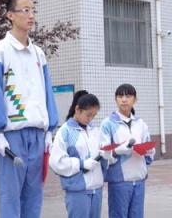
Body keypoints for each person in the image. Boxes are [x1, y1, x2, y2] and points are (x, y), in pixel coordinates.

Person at [0, 0, 59, 218]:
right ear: (10, 15)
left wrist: (50, 129)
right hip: (11, 135)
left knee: (34, 194)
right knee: (11, 194)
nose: (31, 15)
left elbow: (47, 93)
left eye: (33, 10)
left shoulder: (39, 54)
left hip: (37, 133)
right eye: (25, 10)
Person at [100, 83, 155, 218]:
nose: (124, 99)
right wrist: (118, 151)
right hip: (119, 182)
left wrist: (147, 151)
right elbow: (103, 153)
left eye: (128, 96)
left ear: (135, 100)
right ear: (116, 99)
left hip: (139, 180)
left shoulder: (141, 124)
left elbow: (150, 153)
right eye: (120, 96)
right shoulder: (107, 123)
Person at [49, 90, 103, 218]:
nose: (90, 119)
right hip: (77, 190)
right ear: (77, 110)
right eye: (88, 115)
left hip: (96, 189)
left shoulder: (94, 129)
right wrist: (81, 164)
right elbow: (56, 162)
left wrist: (107, 154)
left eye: (94, 116)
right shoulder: (65, 131)